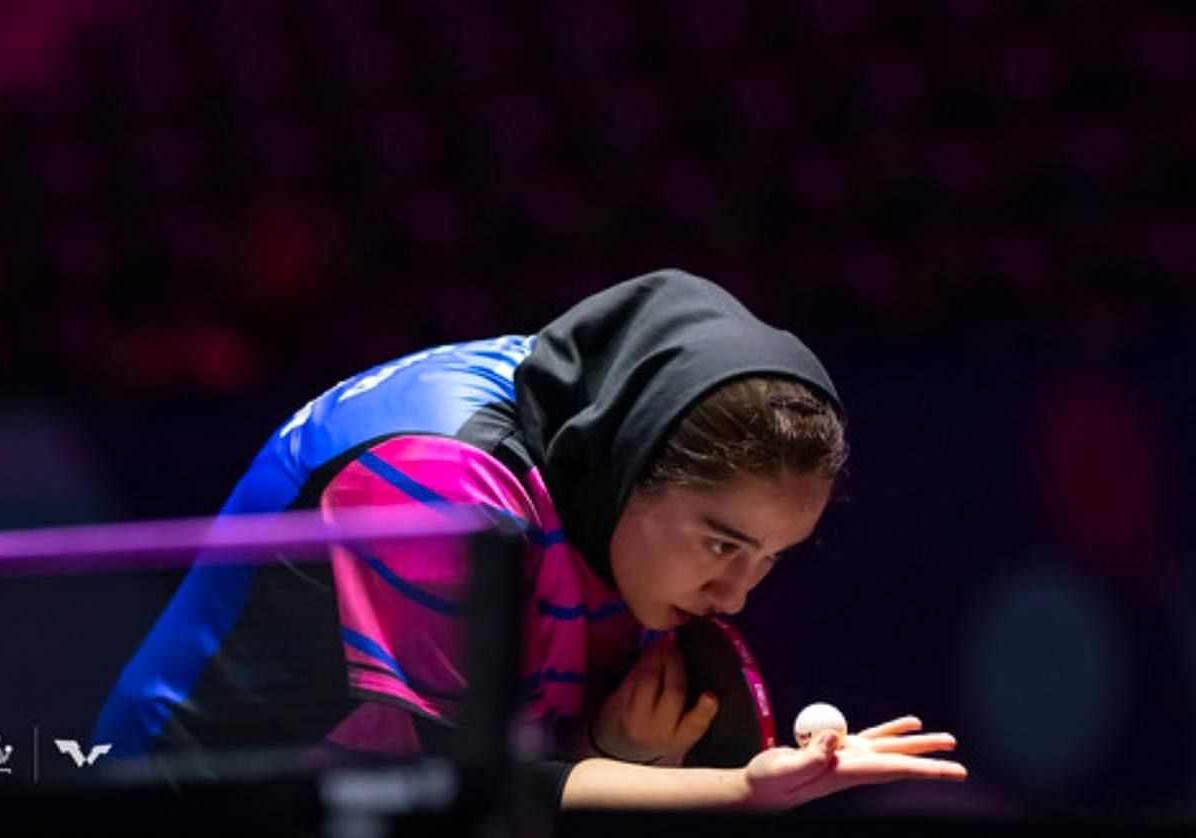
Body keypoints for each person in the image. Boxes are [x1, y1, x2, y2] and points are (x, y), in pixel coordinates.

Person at [93, 269, 966, 810]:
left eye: (770, 559)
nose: (736, 595)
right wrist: (734, 791)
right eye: (721, 545)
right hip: (201, 801)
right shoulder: (439, 482)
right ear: (632, 465)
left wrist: (613, 748)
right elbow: (464, 796)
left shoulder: (607, 428)